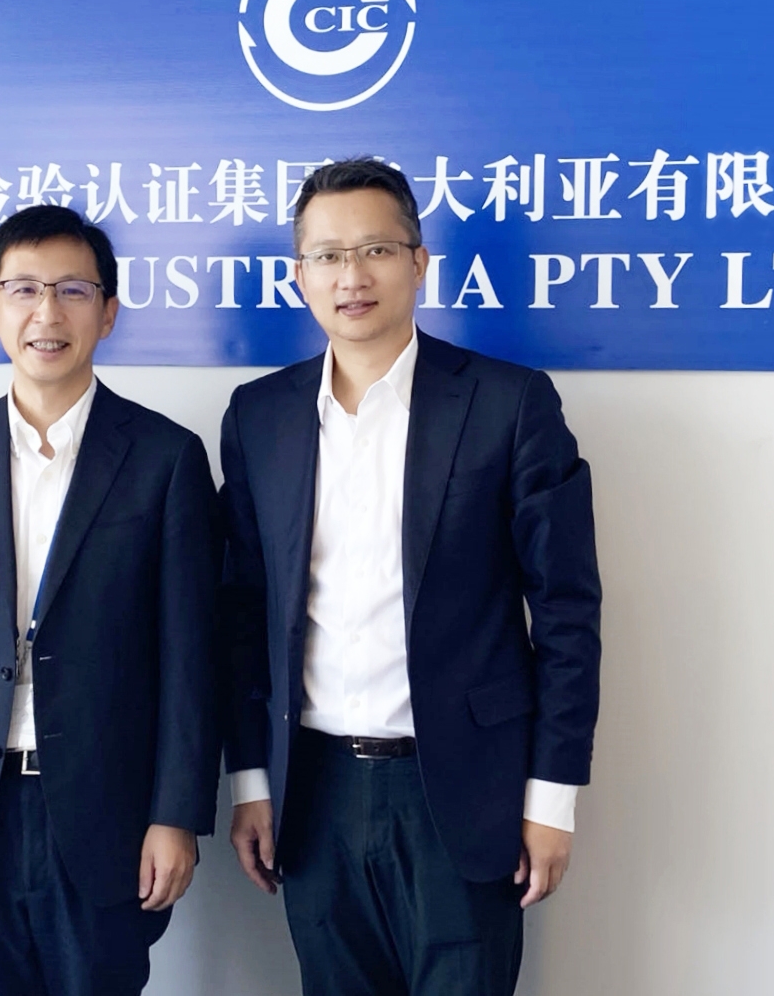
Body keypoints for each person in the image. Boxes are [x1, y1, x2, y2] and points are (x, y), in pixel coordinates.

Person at [219, 158, 603, 996]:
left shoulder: (507, 403)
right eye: (327, 255)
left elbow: (567, 613)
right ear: (299, 275)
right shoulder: (259, 415)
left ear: (419, 262)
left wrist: (552, 798)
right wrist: (251, 780)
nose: (351, 276)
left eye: (376, 250)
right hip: (312, 791)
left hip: (463, 788)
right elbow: (243, 614)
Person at [0, 205, 219, 996]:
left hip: (107, 817)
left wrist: (175, 814)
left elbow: (190, 657)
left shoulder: (165, 457)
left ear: (109, 310)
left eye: (72, 290)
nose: (47, 313)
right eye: (24, 289)